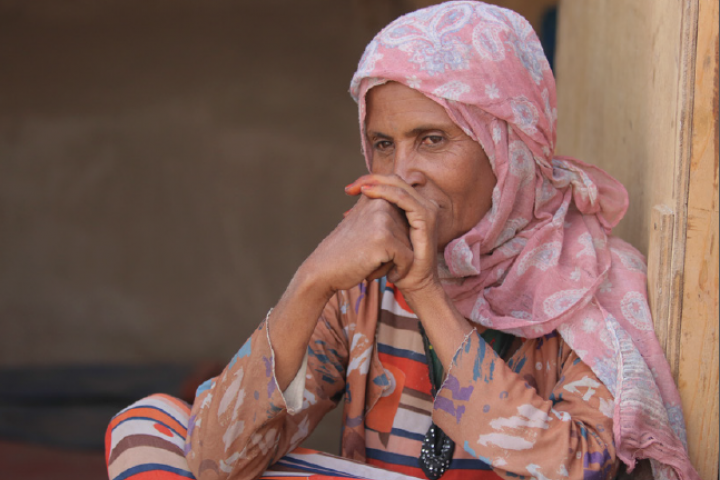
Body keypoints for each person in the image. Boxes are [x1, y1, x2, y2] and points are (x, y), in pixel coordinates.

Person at [105, 3, 700, 480]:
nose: (402, 173)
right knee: (150, 422)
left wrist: (426, 291)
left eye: (433, 139)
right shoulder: (362, 281)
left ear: (507, 147)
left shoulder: (587, 279)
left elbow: (575, 470)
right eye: (384, 144)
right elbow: (217, 461)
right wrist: (311, 282)